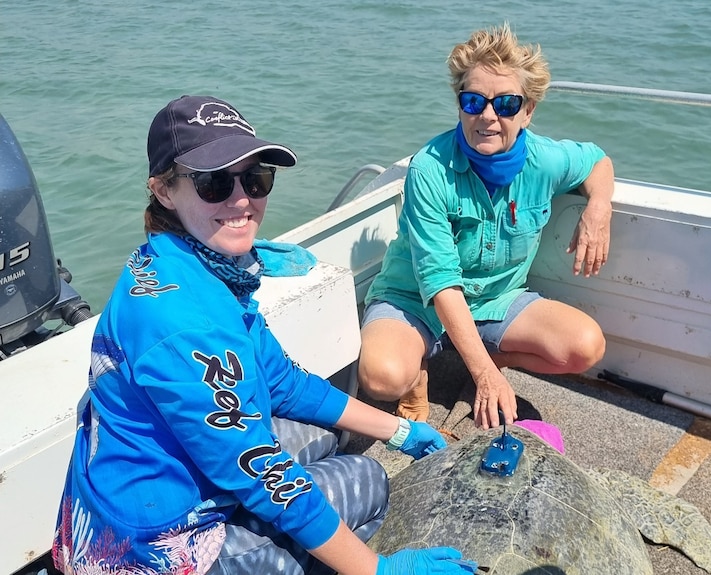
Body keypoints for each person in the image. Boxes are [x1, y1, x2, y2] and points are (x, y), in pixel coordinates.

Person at [52, 95, 476, 575]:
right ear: (164, 190)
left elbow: (280, 383)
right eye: (213, 183)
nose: (241, 200)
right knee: (367, 478)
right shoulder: (184, 323)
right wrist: (379, 570)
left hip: (157, 477)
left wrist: (400, 431)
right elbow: (262, 472)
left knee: (324, 433)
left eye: (256, 178)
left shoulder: (198, 267)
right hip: (154, 547)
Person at [359, 23, 614, 430]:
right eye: (474, 101)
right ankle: (419, 373)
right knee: (381, 377)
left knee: (585, 347)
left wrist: (598, 208)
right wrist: (484, 378)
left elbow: (597, 160)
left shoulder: (545, 160)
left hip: (495, 299)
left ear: (528, 111)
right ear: (460, 105)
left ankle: (485, 352)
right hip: (415, 299)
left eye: (507, 104)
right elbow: (439, 282)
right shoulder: (429, 169)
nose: (488, 116)